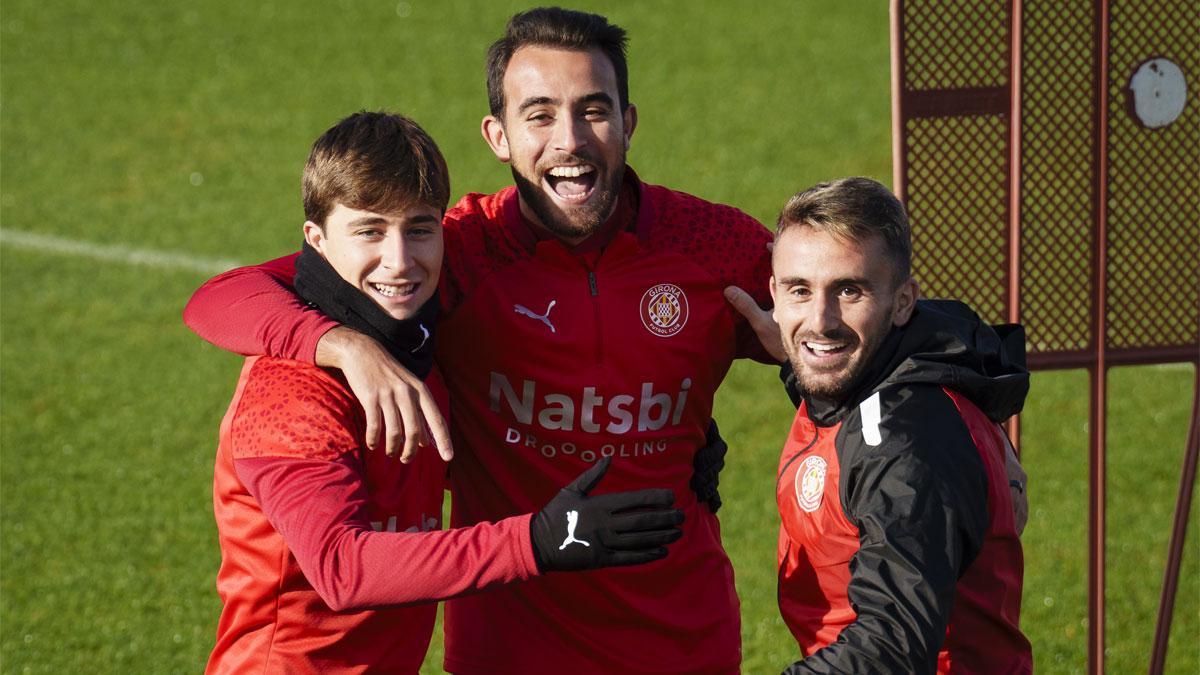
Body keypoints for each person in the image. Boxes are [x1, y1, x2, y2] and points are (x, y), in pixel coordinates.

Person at [185, 8, 775, 672]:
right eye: (541, 114)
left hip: (685, 643)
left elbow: (850, 305)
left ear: (629, 121)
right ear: (498, 135)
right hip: (509, 649)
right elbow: (219, 297)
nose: (570, 140)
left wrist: (808, 371)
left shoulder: (712, 245)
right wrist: (341, 344)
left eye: (594, 111)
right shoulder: (459, 255)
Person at [204, 110, 685, 674]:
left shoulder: (419, 349)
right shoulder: (287, 392)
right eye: (369, 231)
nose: (400, 260)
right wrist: (537, 541)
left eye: (419, 228)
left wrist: (687, 434)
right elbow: (341, 568)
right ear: (316, 240)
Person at [766, 177, 1032, 673]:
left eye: (849, 290)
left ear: (904, 301)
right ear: (774, 297)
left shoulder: (905, 446)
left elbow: (890, 648)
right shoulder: (869, 384)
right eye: (800, 290)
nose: (820, 320)